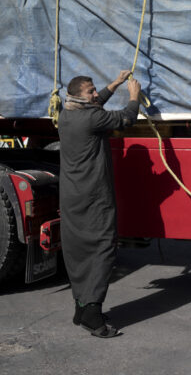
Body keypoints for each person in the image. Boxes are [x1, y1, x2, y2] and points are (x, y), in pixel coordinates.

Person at [58, 69, 140, 338]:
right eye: (91, 92)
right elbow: (127, 118)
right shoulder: (92, 118)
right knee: (103, 247)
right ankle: (93, 316)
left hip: (72, 195)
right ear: (80, 98)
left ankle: (81, 308)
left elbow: (95, 106)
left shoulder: (67, 114)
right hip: (94, 197)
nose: (96, 94)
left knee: (79, 250)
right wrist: (133, 96)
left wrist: (113, 85)